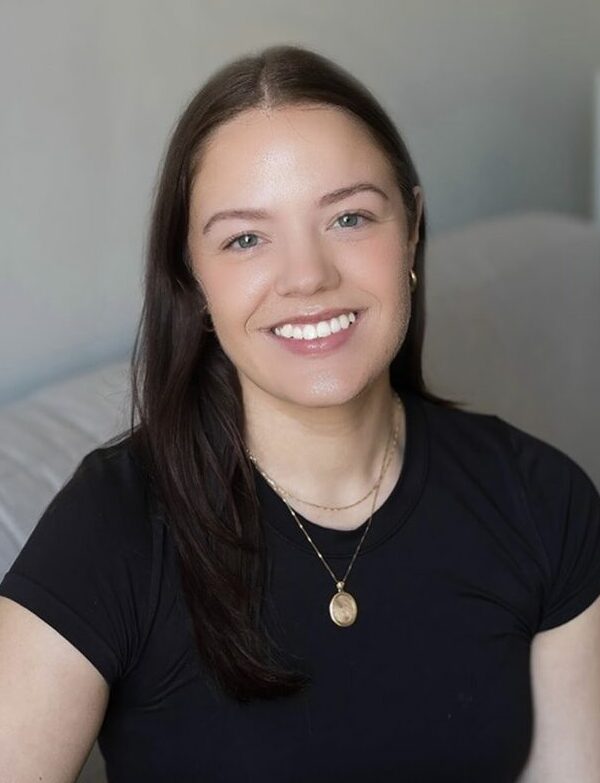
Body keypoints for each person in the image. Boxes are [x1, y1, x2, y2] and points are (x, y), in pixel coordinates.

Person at [0, 44, 599, 783]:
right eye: (246, 238)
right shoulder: (112, 528)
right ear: (193, 278)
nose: (308, 276)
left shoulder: (544, 501)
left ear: (410, 227)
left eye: (349, 217)